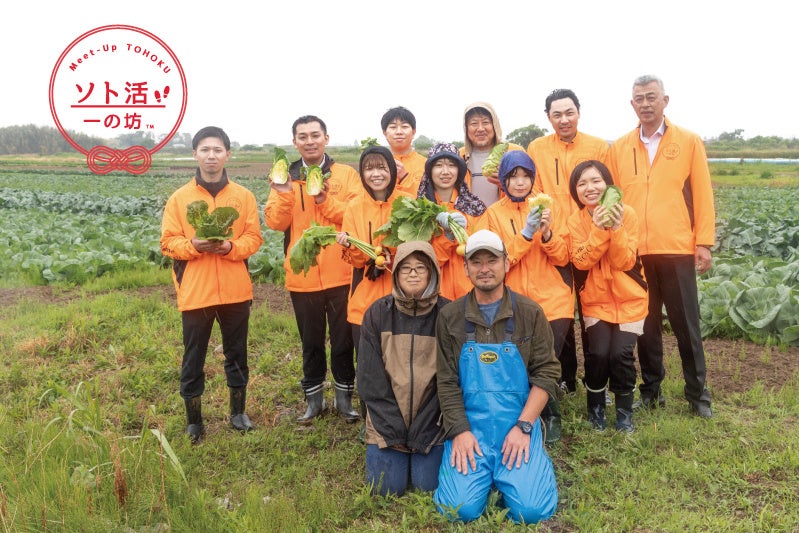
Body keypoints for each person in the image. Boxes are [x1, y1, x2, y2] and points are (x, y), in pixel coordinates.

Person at [433, 229, 559, 524]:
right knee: (458, 510)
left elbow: (548, 373)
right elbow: (447, 380)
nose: (485, 268)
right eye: (476, 262)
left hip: (517, 424)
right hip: (470, 428)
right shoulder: (450, 317)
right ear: (465, 268)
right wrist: (460, 431)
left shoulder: (530, 312)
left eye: (492, 260)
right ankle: (487, 476)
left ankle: (519, 473)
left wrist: (524, 427)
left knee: (531, 511)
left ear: (507, 263)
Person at [607, 75, 715, 419]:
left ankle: (698, 396)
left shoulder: (688, 142)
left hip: (677, 249)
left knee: (687, 326)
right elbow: (611, 199)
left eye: (651, 97)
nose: (645, 103)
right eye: (639, 98)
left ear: (665, 100)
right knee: (646, 328)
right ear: (632, 104)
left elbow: (702, 193)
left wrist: (704, 242)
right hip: (635, 253)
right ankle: (652, 392)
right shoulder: (619, 148)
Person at [160, 126, 263, 443]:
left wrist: (232, 248)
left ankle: (238, 413)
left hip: (235, 289)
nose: (211, 155)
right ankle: (194, 421)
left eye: (217, 149)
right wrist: (194, 245)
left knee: (237, 353)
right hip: (196, 291)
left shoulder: (243, 196)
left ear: (227, 154)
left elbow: (253, 238)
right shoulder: (180, 199)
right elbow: (168, 243)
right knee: (194, 357)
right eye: (205, 149)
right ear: (195, 154)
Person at [264, 115, 362, 423]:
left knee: (344, 340)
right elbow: (275, 222)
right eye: (303, 136)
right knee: (311, 341)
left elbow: (356, 215)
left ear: (326, 138)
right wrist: (282, 195)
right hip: (302, 274)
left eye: (315, 135)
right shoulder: (285, 177)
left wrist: (323, 198)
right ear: (295, 143)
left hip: (342, 271)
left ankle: (344, 398)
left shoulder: (346, 175)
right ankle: (314, 399)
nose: (309, 141)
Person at [475, 150, 572, 445]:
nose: (519, 182)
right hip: (514, 300)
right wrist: (526, 235)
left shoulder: (552, 208)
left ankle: (551, 413)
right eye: (512, 177)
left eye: (525, 176)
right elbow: (497, 261)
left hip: (554, 298)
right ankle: (525, 413)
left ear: (533, 178)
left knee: (548, 359)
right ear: (503, 181)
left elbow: (564, 256)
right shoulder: (493, 214)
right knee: (519, 360)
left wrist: (546, 234)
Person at [527, 88, 610, 395]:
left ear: (579, 112)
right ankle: (565, 377)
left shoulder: (598, 146)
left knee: (590, 309)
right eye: (556, 114)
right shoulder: (537, 147)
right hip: (553, 240)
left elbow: (605, 189)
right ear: (548, 117)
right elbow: (533, 191)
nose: (563, 119)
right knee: (559, 311)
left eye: (569, 112)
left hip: (588, 237)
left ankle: (596, 379)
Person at [357, 241, 449, 496]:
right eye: (405, 267)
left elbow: (450, 380)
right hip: (386, 425)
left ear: (432, 273)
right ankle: (389, 445)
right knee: (385, 490)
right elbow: (369, 379)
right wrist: (393, 428)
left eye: (421, 267)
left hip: (431, 423)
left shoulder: (448, 315)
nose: (413, 273)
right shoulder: (377, 313)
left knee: (427, 486)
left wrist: (427, 425)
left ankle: (424, 448)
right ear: (395, 273)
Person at [567, 160, 648, 432]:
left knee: (621, 354)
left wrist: (614, 226)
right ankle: (596, 407)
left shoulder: (628, 214)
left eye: (596, 181)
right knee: (599, 353)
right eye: (582, 183)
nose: (590, 188)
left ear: (608, 184)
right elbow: (581, 261)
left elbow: (624, 261)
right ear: (575, 190)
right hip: (596, 302)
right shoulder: (575, 222)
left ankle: (624, 412)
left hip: (630, 300)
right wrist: (599, 230)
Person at [417, 142, 486, 301]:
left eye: (452, 165)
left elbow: (481, 255)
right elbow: (423, 263)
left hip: (472, 296)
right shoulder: (419, 211)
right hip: (433, 298)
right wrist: (446, 238)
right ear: (429, 171)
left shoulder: (475, 209)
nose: (445, 171)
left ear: (460, 171)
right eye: (439, 165)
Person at [460, 102, 524, 207]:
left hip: (506, 221)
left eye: (485, 122)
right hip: (471, 222)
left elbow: (532, 191)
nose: (480, 129)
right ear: (466, 128)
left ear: (495, 125)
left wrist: (507, 185)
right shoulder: (458, 157)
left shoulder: (515, 152)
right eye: (474, 123)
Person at [380, 106, 427, 196]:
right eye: (393, 127)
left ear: (413, 132)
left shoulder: (426, 164)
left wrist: (404, 176)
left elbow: (429, 197)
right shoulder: (379, 162)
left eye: (404, 126)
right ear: (385, 133)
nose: (399, 132)